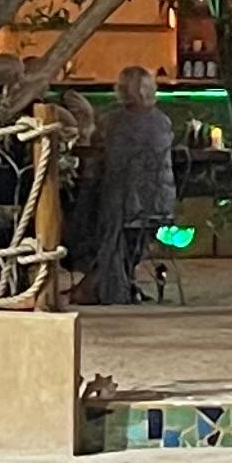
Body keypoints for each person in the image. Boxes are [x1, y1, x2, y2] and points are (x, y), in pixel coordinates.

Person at [92, 65, 180, 303]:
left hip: (123, 206)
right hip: (159, 204)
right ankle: (125, 279)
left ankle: (109, 280)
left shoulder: (112, 121)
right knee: (132, 229)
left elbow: (102, 154)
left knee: (86, 209)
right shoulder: (163, 121)